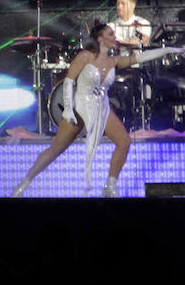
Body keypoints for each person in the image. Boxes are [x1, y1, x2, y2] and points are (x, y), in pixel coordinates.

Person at [10, 23, 183, 197]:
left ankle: (109, 186)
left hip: (102, 107)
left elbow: (139, 58)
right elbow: (69, 81)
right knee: (56, 149)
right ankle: (23, 185)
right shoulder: (85, 56)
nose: (115, 37)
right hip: (79, 106)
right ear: (100, 38)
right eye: (111, 34)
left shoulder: (114, 61)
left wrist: (167, 50)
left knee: (124, 141)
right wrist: (68, 110)